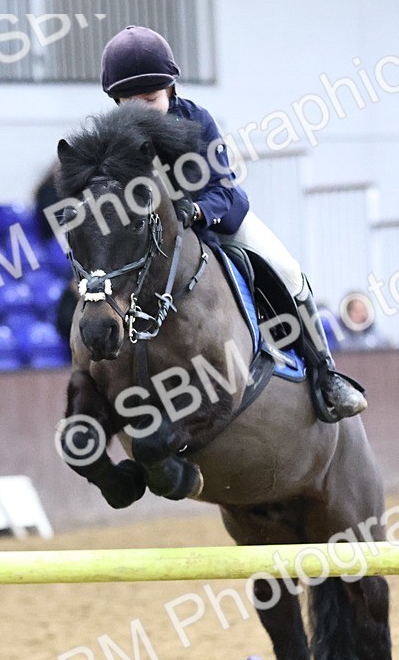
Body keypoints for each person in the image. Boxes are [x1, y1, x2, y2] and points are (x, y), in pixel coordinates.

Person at [99, 25, 366, 419]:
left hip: (214, 222)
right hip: (149, 247)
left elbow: (227, 191)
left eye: (150, 99)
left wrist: (197, 210)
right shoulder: (112, 139)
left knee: (288, 269)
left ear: (171, 90)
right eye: (129, 101)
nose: (140, 110)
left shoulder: (197, 122)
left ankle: (326, 374)